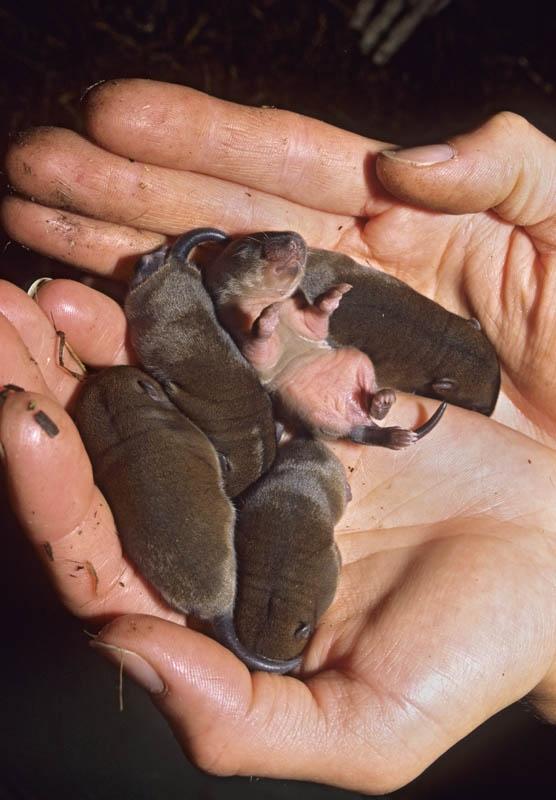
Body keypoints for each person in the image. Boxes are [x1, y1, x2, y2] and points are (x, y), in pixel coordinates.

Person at [0, 79, 555, 794]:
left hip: (305, 397)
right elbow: (268, 355)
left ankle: (359, 437)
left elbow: (291, 346)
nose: (293, 265)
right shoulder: (265, 338)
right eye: (280, 264)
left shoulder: (289, 335)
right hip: (295, 395)